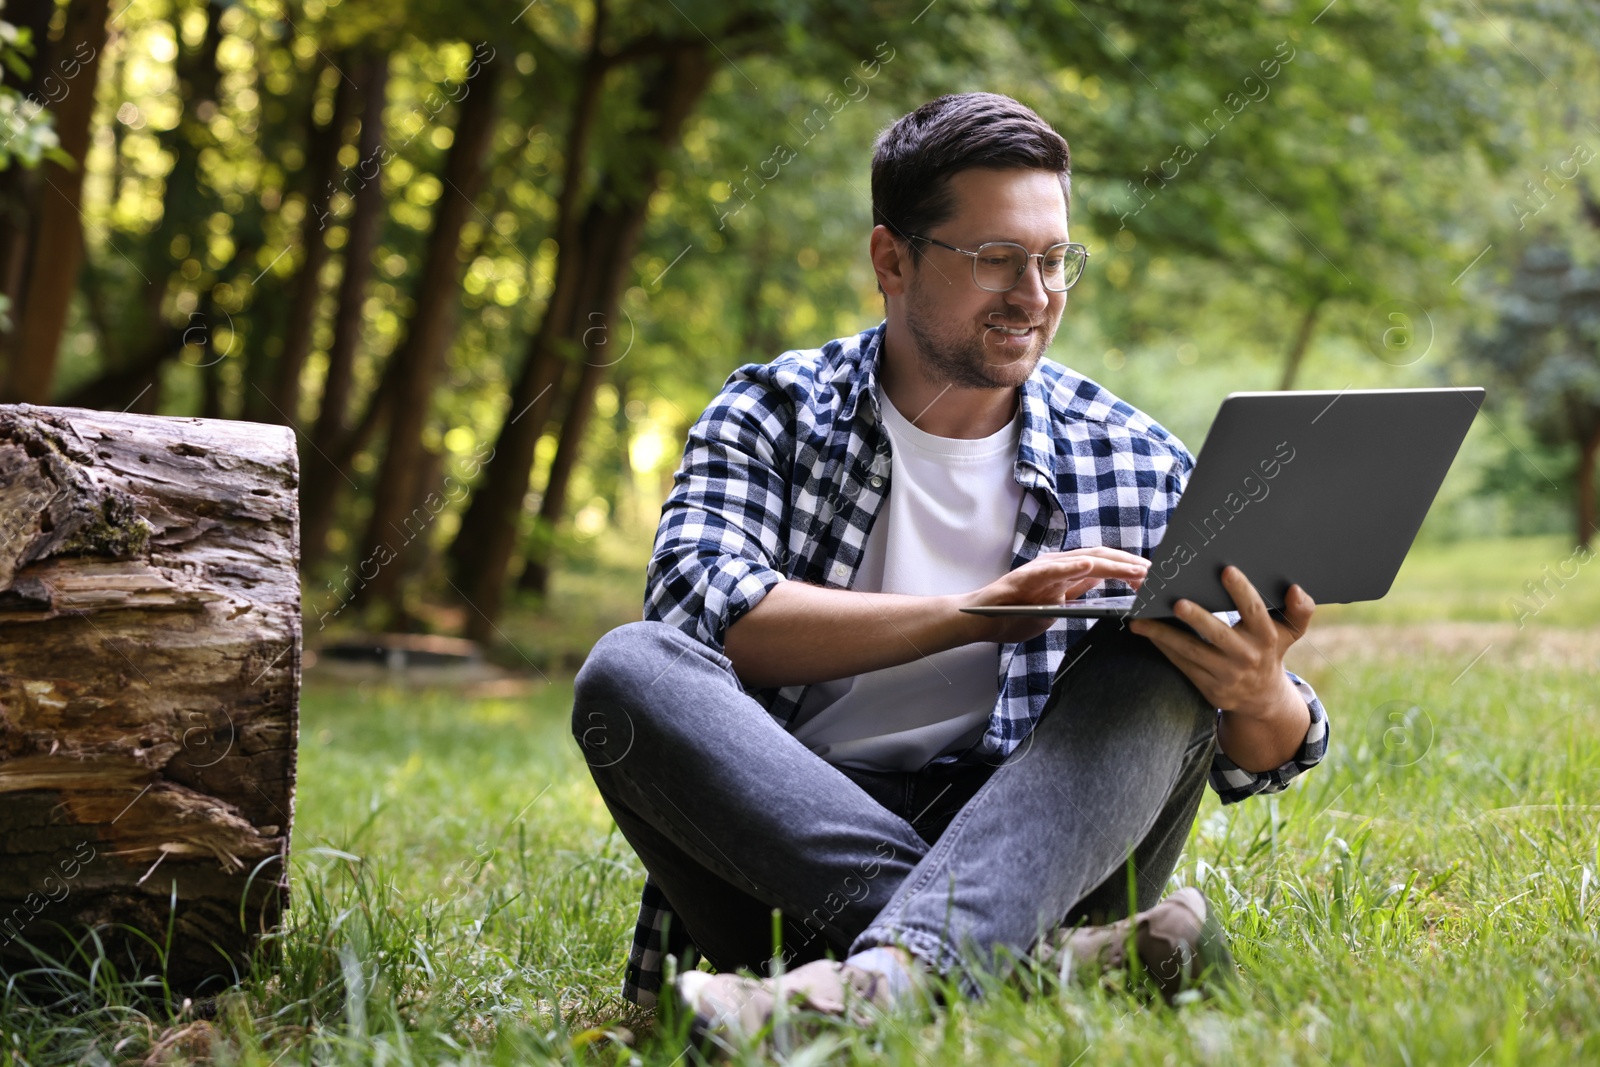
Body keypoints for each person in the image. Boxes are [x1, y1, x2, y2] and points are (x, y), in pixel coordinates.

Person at [571, 91, 1330, 1049]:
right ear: (892, 259)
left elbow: (1267, 750)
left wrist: (1259, 689)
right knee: (629, 669)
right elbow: (712, 618)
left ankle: (876, 981)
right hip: (789, 846)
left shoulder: (1139, 457)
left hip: (1043, 836)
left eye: (1055, 260)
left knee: (1160, 665)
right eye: (996, 260)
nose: (1037, 293)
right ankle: (1040, 964)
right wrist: (967, 614)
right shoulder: (769, 412)